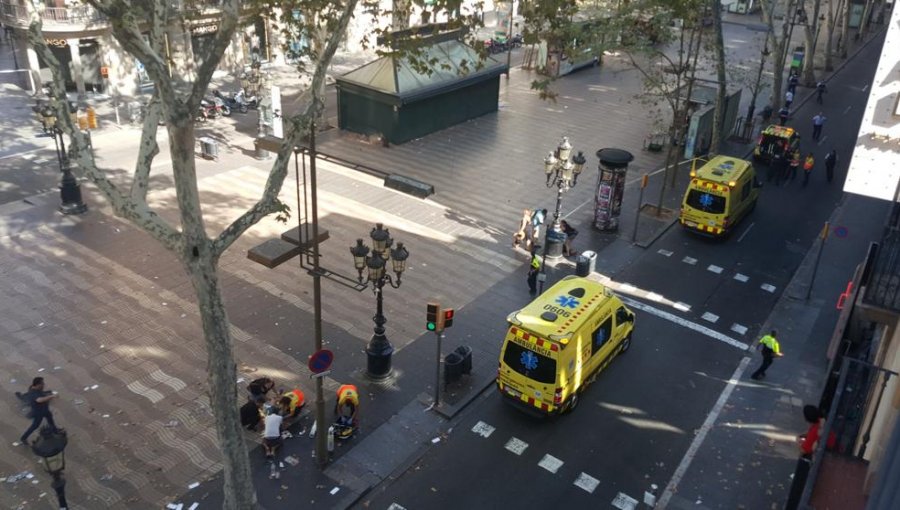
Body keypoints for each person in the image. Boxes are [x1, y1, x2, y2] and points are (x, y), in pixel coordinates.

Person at [19, 377, 59, 444]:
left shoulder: (37, 389)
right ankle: (23, 438)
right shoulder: (33, 393)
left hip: (45, 409)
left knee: (50, 419)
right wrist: (51, 396)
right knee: (35, 425)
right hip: (38, 412)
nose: (43, 385)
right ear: (37, 385)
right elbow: (39, 400)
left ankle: (55, 431)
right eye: (42, 384)